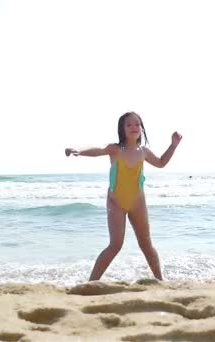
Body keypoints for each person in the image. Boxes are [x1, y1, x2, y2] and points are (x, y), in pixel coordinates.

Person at [65, 111, 182, 281]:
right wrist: (79, 151)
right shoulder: (115, 149)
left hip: (137, 202)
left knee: (146, 245)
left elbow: (161, 162)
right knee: (115, 245)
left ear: (141, 128)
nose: (133, 127)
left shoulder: (144, 152)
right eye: (129, 124)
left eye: (137, 124)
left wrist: (173, 145)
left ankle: (160, 280)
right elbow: (98, 150)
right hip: (116, 202)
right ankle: (91, 282)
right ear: (122, 129)